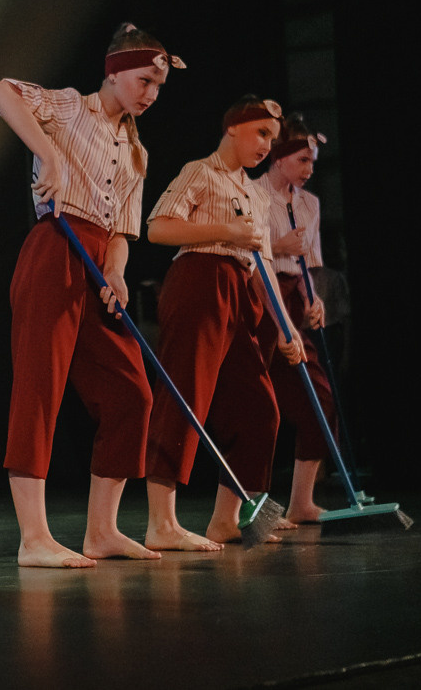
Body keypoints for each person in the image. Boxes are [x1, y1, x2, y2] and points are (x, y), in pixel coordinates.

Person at [0, 22, 185, 568]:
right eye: (144, 80)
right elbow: (1, 91)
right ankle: (34, 539)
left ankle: (102, 530)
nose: (150, 94)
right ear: (116, 71)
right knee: (40, 386)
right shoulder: (72, 108)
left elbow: (122, 228)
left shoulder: (137, 152)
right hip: (55, 244)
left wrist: (117, 273)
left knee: (132, 394)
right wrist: (47, 156)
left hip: (99, 263)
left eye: (158, 87)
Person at [143, 95, 304, 551]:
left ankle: (225, 520)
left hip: (240, 292)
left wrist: (286, 327)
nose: (266, 146)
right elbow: (158, 227)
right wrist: (224, 231)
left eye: (272, 139)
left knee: (260, 408)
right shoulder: (200, 172)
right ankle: (161, 522)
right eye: (261, 133)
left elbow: (264, 267)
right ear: (233, 127)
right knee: (185, 394)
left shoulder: (255, 192)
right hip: (198, 281)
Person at [254, 113, 338, 524]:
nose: (309, 169)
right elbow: (248, 256)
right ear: (280, 157)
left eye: (313, 162)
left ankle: (301, 501)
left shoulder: (310, 203)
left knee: (320, 399)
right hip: (261, 299)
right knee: (260, 403)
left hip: (294, 297)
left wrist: (314, 300)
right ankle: (250, 509)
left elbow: (310, 264)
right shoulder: (253, 194)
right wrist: (276, 242)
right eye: (303, 159)